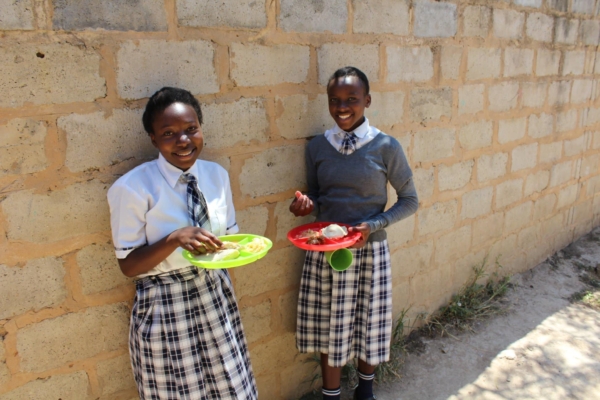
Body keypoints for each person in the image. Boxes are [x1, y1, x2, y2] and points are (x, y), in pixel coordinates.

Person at [107, 87, 257, 399]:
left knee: (232, 388)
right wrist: (174, 239)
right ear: (153, 138)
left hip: (215, 296)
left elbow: (229, 242)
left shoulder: (216, 176)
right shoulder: (133, 188)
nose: (183, 140)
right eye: (169, 133)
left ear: (201, 128)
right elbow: (128, 265)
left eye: (191, 129)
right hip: (165, 306)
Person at [289, 67, 418, 400]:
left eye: (352, 100)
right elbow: (319, 197)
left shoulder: (386, 147)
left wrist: (373, 225)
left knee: (368, 323)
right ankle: (331, 395)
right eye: (335, 100)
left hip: (369, 252)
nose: (342, 107)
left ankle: (365, 391)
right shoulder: (318, 147)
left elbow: (410, 200)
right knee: (328, 326)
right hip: (327, 254)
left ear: (367, 101)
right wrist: (307, 204)